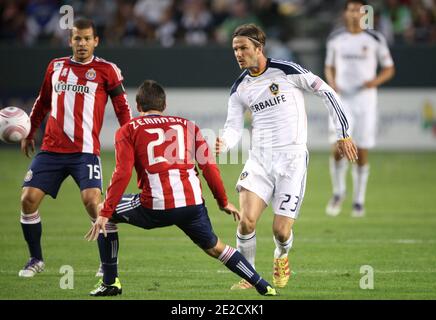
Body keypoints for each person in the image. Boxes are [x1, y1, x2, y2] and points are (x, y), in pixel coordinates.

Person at [85, 80, 277, 297]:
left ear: (138, 106)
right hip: (192, 206)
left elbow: (122, 173)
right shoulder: (188, 126)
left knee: (104, 212)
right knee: (216, 248)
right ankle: (262, 284)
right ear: (164, 105)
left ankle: (110, 282)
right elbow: (209, 167)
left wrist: (106, 212)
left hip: (154, 206)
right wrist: (222, 201)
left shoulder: (128, 129)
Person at [215, 23, 358, 290]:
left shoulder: (287, 71)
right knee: (246, 221)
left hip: (291, 159)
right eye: (235, 49)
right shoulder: (239, 89)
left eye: (243, 48)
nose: (238, 53)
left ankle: (281, 256)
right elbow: (233, 127)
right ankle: (249, 276)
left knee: (281, 231)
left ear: (259, 48)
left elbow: (326, 91)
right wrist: (224, 143)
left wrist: (343, 133)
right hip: (259, 160)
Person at [18, 18, 132, 277]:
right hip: (51, 150)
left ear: (96, 41)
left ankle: (107, 264)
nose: (82, 43)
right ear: (70, 41)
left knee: (93, 202)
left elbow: (122, 108)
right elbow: (43, 100)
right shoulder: (56, 67)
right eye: (77, 38)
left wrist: (131, 138)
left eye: (87, 39)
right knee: (27, 199)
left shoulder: (107, 70)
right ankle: (35, 259)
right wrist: (31, 129)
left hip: (85, 151)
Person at [325, 0, 395, 218]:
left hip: (365, 100)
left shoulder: (374, 39)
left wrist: (373, 82)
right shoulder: (336, 38)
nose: (355, 13)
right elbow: (329, 66)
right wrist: (332, 82)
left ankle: (358, 200)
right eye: (351, 9)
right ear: (346, 13)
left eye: (359, 10)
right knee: (338, 148)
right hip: (342, 100)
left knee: (362, 151)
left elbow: (389, 68)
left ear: (365, 13)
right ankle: (338, 193)